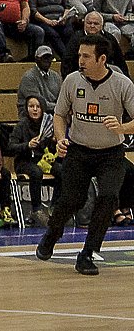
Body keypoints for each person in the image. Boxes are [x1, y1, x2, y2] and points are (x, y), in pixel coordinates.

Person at [37, 35, 134, 274]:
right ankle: (52, 234)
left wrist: (122, 127)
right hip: (78, 150)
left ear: (102, 59)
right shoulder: (72, 81)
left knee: (108, 198)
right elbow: (60, 115)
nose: (80, 60)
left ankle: (88, 253)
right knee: (72, 200)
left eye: (86, 56)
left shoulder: (122, 84)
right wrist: (61, 138)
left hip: (111, 153)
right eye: (80, 55)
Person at [10, 94, 57, 223]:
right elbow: (11, 147)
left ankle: (55, 207)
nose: (35, 109)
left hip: (43, 160)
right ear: (27, 108)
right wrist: (27, 145)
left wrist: (53, 142)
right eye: (31, 106)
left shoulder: (48, 124)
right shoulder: (21, 125)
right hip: (24, 161)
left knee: (62, 170)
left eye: (38, 106)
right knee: (36, 172)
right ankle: (36, 209)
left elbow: (51, 150)